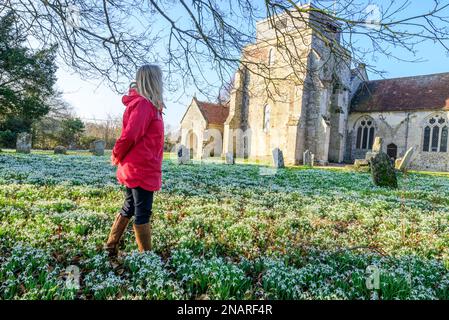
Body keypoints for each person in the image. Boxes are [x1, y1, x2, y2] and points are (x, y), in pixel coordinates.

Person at [105, 65, 164, 256]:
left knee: (130, 206)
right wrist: (116, 154)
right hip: (140, 169)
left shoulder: (150, 106)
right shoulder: (145, 105)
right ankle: (146, 259)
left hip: (140, 167)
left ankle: (111, 246)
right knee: (142, 212)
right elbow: (130, 136)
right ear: (153, 81)